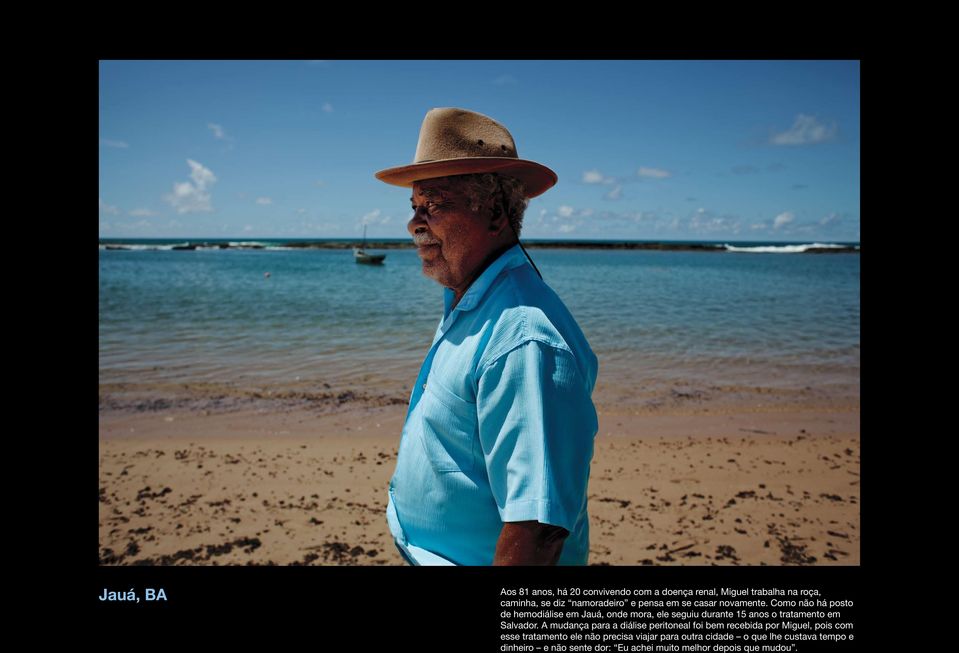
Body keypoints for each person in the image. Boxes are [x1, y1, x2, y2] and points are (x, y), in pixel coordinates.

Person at [374, 107, 599, 565]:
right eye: (414, 207)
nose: (414, 223)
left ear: (494, 212)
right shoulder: (472, 299)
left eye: (433, 204)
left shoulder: (523, 339)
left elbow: (537, 529)